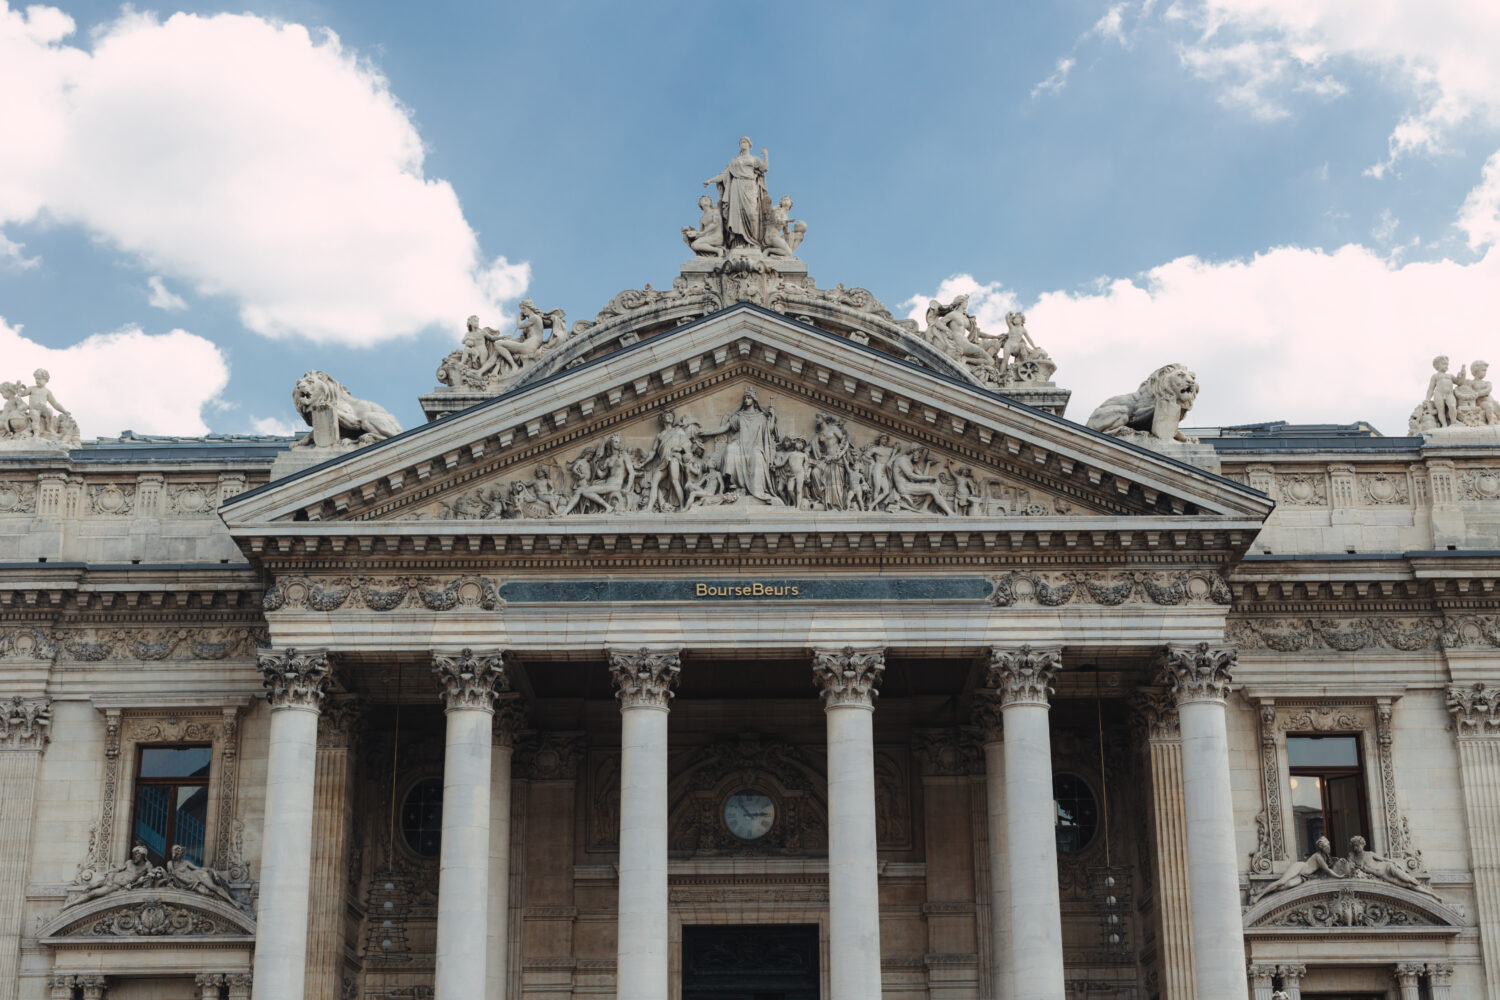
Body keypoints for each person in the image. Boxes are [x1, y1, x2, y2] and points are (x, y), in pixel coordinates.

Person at [700, 388, 780, 502]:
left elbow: (769, 430)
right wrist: (707, 433)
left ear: (754, 400)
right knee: (731, 449)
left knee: (757, 457)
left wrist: (772, 416)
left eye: (749, 398)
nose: (746, 400)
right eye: (745, 398)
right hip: (739, 444)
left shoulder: (761, 417)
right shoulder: (739, 416)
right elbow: (725, 428)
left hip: (755, 446)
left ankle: (757, 489)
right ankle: (734, 485)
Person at [704, 137, 770, 250]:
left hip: (750, 186)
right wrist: (710, 181)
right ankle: (738, 243)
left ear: (749, 145)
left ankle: (753, 242)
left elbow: (764, 168)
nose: (742, 144)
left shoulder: (754, 159)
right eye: (740, 142)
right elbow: (724, 174)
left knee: (752, 214)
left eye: (744, 142)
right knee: (736, 215)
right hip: (736, 187)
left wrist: (765, 155)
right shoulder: (734, 161)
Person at [1347, 835, 1443, 900]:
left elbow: (1385, 860)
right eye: (1354, 846)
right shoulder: (1353, 858)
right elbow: (1350, 867)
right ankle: (1431, 895)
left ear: (1362, 845)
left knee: (1408, 879)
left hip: (1387, 867)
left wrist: (1395, 863)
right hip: (1384, 876)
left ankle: (1431, 893)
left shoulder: (1370, 854)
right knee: (1407, 885)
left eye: (1358, 845)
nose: (1356, 848)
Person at [1254, 835, 1340, 899]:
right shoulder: (1318, 856)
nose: (1328, 847)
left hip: (1304, 876)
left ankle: (1267, 893)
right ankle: (1259, 895)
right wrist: (1339, 876)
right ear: (1322, 847)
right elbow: (1327, 870)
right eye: (1326, 845)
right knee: (1282, 881)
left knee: (1288, 885)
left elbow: (1331, 865)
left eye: (1328, 844)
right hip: (1300, 867)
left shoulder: (1326, 857)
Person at [166, 844, 237, 904]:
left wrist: (211, 870)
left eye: (180, 852)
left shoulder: (186, 862)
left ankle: (232, 901)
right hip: (190, 884)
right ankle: (223, 900)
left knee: (213, 887)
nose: (178, 853)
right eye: (177, 852)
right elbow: (171, 878)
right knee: (206, 893)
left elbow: (198, 869)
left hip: (197, 876)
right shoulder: (170, 864)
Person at [24, 369, 70, 438]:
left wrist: (64, 411)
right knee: (34, 415)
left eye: (39, 379)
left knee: (49, 411)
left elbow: (55, 404)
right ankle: (36, 432)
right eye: (36, 379)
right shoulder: (31, 388)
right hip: (34, 409)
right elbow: (22, 394)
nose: (37, 380)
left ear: (46, 380)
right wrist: (19, 389)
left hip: (43, 409)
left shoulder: (47, 391)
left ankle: (49, 427)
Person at [1427, 355, 1464, 427]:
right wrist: (1427, 399)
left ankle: (1453, 421)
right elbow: (1431, 388)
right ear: (1437, 366)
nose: (1446, 366)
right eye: (1444, 364)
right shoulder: (1435, 376)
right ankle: (1444, 424)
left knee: (1452, 406)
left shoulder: (1450, 376)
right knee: (1441, 410)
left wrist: (1461, 376)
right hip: (1439, 394)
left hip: (1449, 394)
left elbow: (1459, 382)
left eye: (1447, 364)